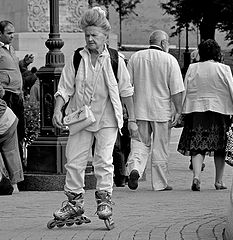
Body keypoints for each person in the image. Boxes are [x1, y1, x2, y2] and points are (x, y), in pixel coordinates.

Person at [51, 7, 137, 228]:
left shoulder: (116, 59)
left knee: (103, 161)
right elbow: (64, 88)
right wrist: (57, 110)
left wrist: (133, 120)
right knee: (74, 161)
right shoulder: (77, 58)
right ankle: (74, 203)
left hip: (107, 119)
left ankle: (104, 201)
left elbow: (126, 91)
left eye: (94, 35)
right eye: (87, 35)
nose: (90, 39)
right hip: (81, 118)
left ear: (105, 36)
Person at [177, 39, 233, 191]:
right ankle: (218, 181)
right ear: (217, 53)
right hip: (220, 111)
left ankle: (196, 177)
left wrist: (181, 111)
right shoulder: (223, 69)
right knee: (220, 148)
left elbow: (185, 88)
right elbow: (232, 91)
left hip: (196, 110)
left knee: (197, 146)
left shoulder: (193, 68)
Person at [126, 30, 185, 191]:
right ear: (164, 43)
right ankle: (160, 183)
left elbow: (126, 86)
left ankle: (135, 168)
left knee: (139, 143)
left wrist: (128, 110)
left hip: (139, 109)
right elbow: (177, 89)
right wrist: (178, 110)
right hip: (161, 110)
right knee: (160, 147)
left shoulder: (135, 58)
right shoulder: (169, 60)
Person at [0, 20, 34, 167]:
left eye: (13, 32)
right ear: (0, 34)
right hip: (6, 96)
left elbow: (12, 68)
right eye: (9, 33)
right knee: (10, 134)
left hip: (17, 95)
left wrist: (24, 64)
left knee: (20, 132)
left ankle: (19, 168)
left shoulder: (11, 49)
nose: (12, 36)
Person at [0, 85, 24, 194]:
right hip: (9, 119)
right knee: (11, 153)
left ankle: (11, 185)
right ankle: (14, 186)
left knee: (10, 152)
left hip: (5, 123)